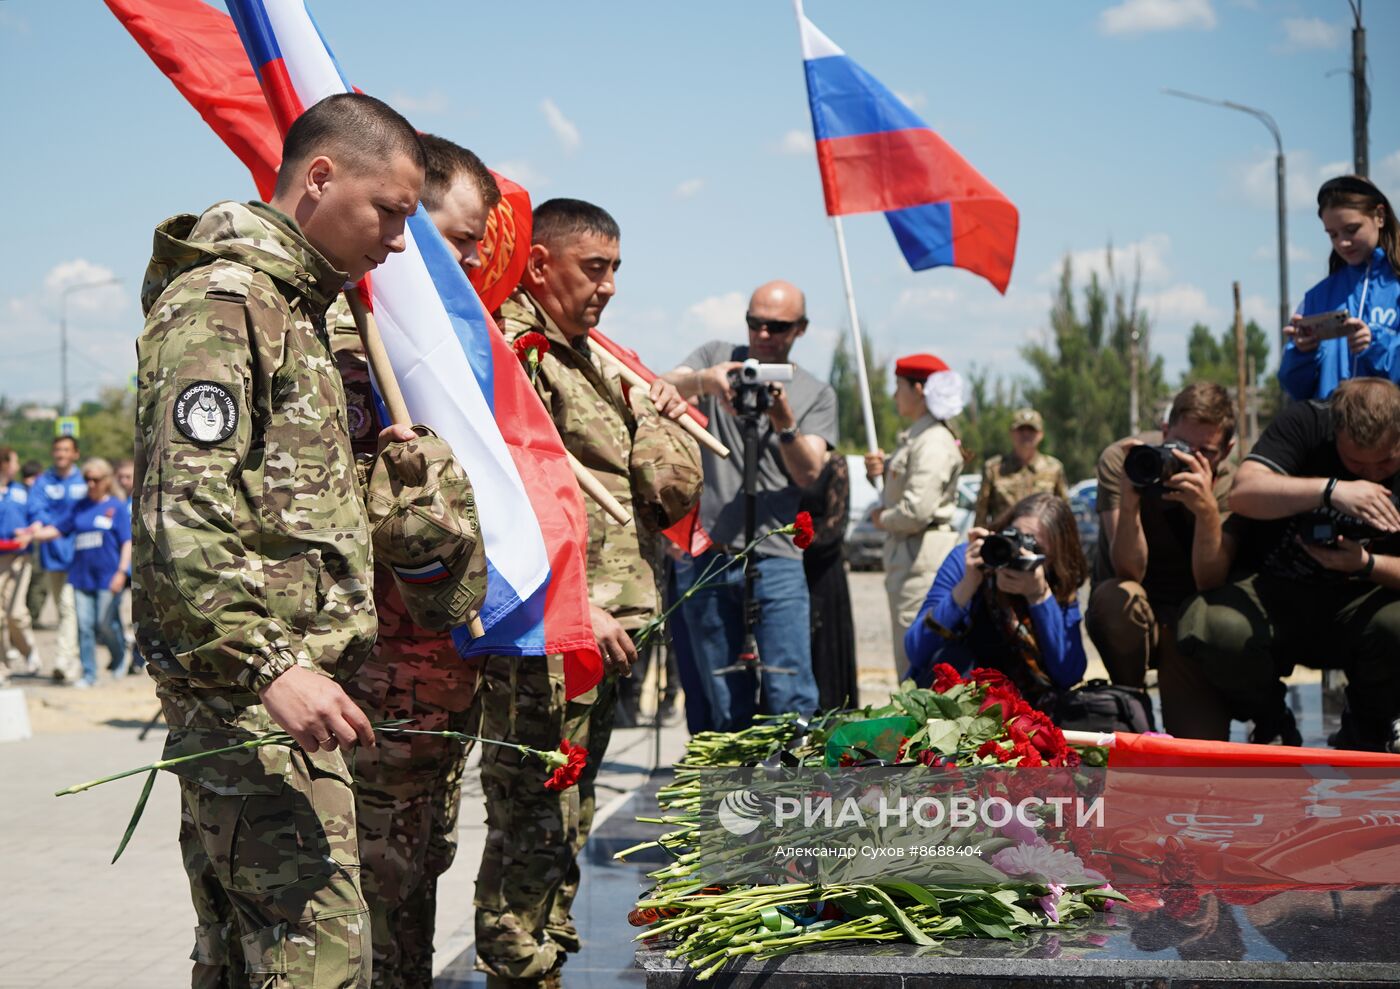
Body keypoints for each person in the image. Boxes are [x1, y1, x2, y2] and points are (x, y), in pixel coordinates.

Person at [132, 93, 423, 988]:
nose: (399, 240)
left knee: (242, 958)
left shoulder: (302, 311)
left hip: (280, 701)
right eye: (391, 211)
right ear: (322, 176)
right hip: (250, 703)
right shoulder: (225, 304)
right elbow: (180, 510)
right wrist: (270, 666)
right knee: (319, 962)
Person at [479, 197, 699, 987]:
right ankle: (518, 963)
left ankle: (546, 951)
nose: (607, 286)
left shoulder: (601, 360)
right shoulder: (514, 354)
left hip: (606, 630)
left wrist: (662, 411)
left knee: (568, 804)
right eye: (592, 268)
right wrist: (574, 604)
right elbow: (516, 498)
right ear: (540, 265)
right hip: (554, 626)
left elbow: (668, 490)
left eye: (614, 270)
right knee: (533, 806)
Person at [332, 133, 498, 989]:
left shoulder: (450, 344)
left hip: (437, 682)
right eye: (455, 236)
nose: (469, 259)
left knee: (409, 892)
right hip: (366, 689)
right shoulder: (345, 337)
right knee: (359, 908)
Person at [1177, 377, 1400, 752]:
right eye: (1356, 462)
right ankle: (1271, 721)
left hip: (1364, 603)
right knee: (1211, 623)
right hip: (1277, 596)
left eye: (1386, 462)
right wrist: (1331, 490)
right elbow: (1244, 493)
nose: (1369, 473)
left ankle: (1371, 724)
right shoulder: (1307, 423)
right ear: (1336, 430)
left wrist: (1366, 563)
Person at [661, 280, 835, 730]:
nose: (762, 335)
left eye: (776, 326)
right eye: (754, 322)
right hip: (711, 555)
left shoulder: (814, 392)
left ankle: (792, 795)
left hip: (775, 557)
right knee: (722, 693)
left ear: (800, 329)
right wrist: (705, 379)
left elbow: (810, 473)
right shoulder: (719, 354)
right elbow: (658, 387)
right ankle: (733, 795)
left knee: (789, 692)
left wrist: (785, 423)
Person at [1086, 383, 1237, 738]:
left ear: (1227, 451)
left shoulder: (1229, 483)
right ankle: (1130, 699)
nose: (1188, 460)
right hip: (1136, 616)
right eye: (1183, 447)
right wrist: (1131, 496)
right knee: (1116, 597)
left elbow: (1210, 582)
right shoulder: (1127, 461)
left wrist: (1206, 512)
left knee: (1200, 749)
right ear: (1166, 432)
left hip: (1189, 624)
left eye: (1207, 452)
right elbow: (1128, 570)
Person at [904, 492, 1089, 711]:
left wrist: (1039, 598)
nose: (1017, 552)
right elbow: (916, 651)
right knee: (953, 657)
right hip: (957, 702)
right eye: (1014, 538)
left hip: (1027, 711)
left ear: (1055, 559)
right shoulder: (968, 561)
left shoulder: (1057, 583)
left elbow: (1069, 673)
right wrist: (967, 586)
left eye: (1034, 549)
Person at [863, 353, 967, 680]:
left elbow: (916, 511)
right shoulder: (920, 438)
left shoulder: (932, 441)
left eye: (899, 386)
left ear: (919, 389)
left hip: (920, 556)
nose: (895, 395)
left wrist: (880, 518)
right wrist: (879, 475)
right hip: (912, 553)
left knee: (916, 660)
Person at [1278, 175, 1400, 401]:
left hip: (1392, 432)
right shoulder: (1317, 297)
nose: (1342, 242)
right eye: (1332, 234)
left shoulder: (1396, 287)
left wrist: (1376, 344)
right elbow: (1295, 389)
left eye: (1351, 229)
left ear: (1380, 217)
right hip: (1332, 431)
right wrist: (1300, 353)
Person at [30, 458, 131, 687]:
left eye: (96, 479)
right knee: (84, 626)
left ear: (106, 480)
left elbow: (126, 542)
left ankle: (119, 655)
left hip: (108, 575)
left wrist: (121, 572)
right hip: (80, 576)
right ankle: (89, 674)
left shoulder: (116, 507)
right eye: (87, 479)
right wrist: (31, 535)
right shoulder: (80, 506)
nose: (91, 484)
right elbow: (57, 529)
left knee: (104, 624)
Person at [799, 453, 858, 710]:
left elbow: (836, 524)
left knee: (825, 651)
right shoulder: (780, 458)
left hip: (823, 570)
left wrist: (794, 544)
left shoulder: (834, 463)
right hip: (789, 568)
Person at [28, 435, 87, 682]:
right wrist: (43, 527)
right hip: (52, 555)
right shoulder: (43, 482)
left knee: (68, 608)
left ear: (76, 454)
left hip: (80, 555)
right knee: (64, 608)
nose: (61, 454)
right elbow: (35, 511)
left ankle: (64, 660)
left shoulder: (84, 481)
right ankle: (73, 659)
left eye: (66, 450)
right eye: (57, 450)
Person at [974, 408, 1069, 529]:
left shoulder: (1054, 468)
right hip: (1005, 541)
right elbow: (981, 512)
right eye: (1021, 429)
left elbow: (1064, 512)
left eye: (1031, 430)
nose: (1026, 434)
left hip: (1042, 541)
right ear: (1011, 433)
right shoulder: (994, 468)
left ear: (1041, 434)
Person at [0, 447, 38, 686]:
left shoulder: (22, 491)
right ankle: (4, 665)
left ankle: (29, 650)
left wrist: (31, 532)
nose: (18, 465)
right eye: (14, 461)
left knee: (15, 612)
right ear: (4, 463)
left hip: (20, 557)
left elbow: (36, 517)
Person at [112, 459, 141, 675]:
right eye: (120, 476)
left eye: (128, 476)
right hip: (120, 569)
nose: (123, 481)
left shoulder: (143, 500)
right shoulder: (115, 503)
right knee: (120, 617)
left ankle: (139, 659)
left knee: (139, 617)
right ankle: (124, 655)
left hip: (140, 568)